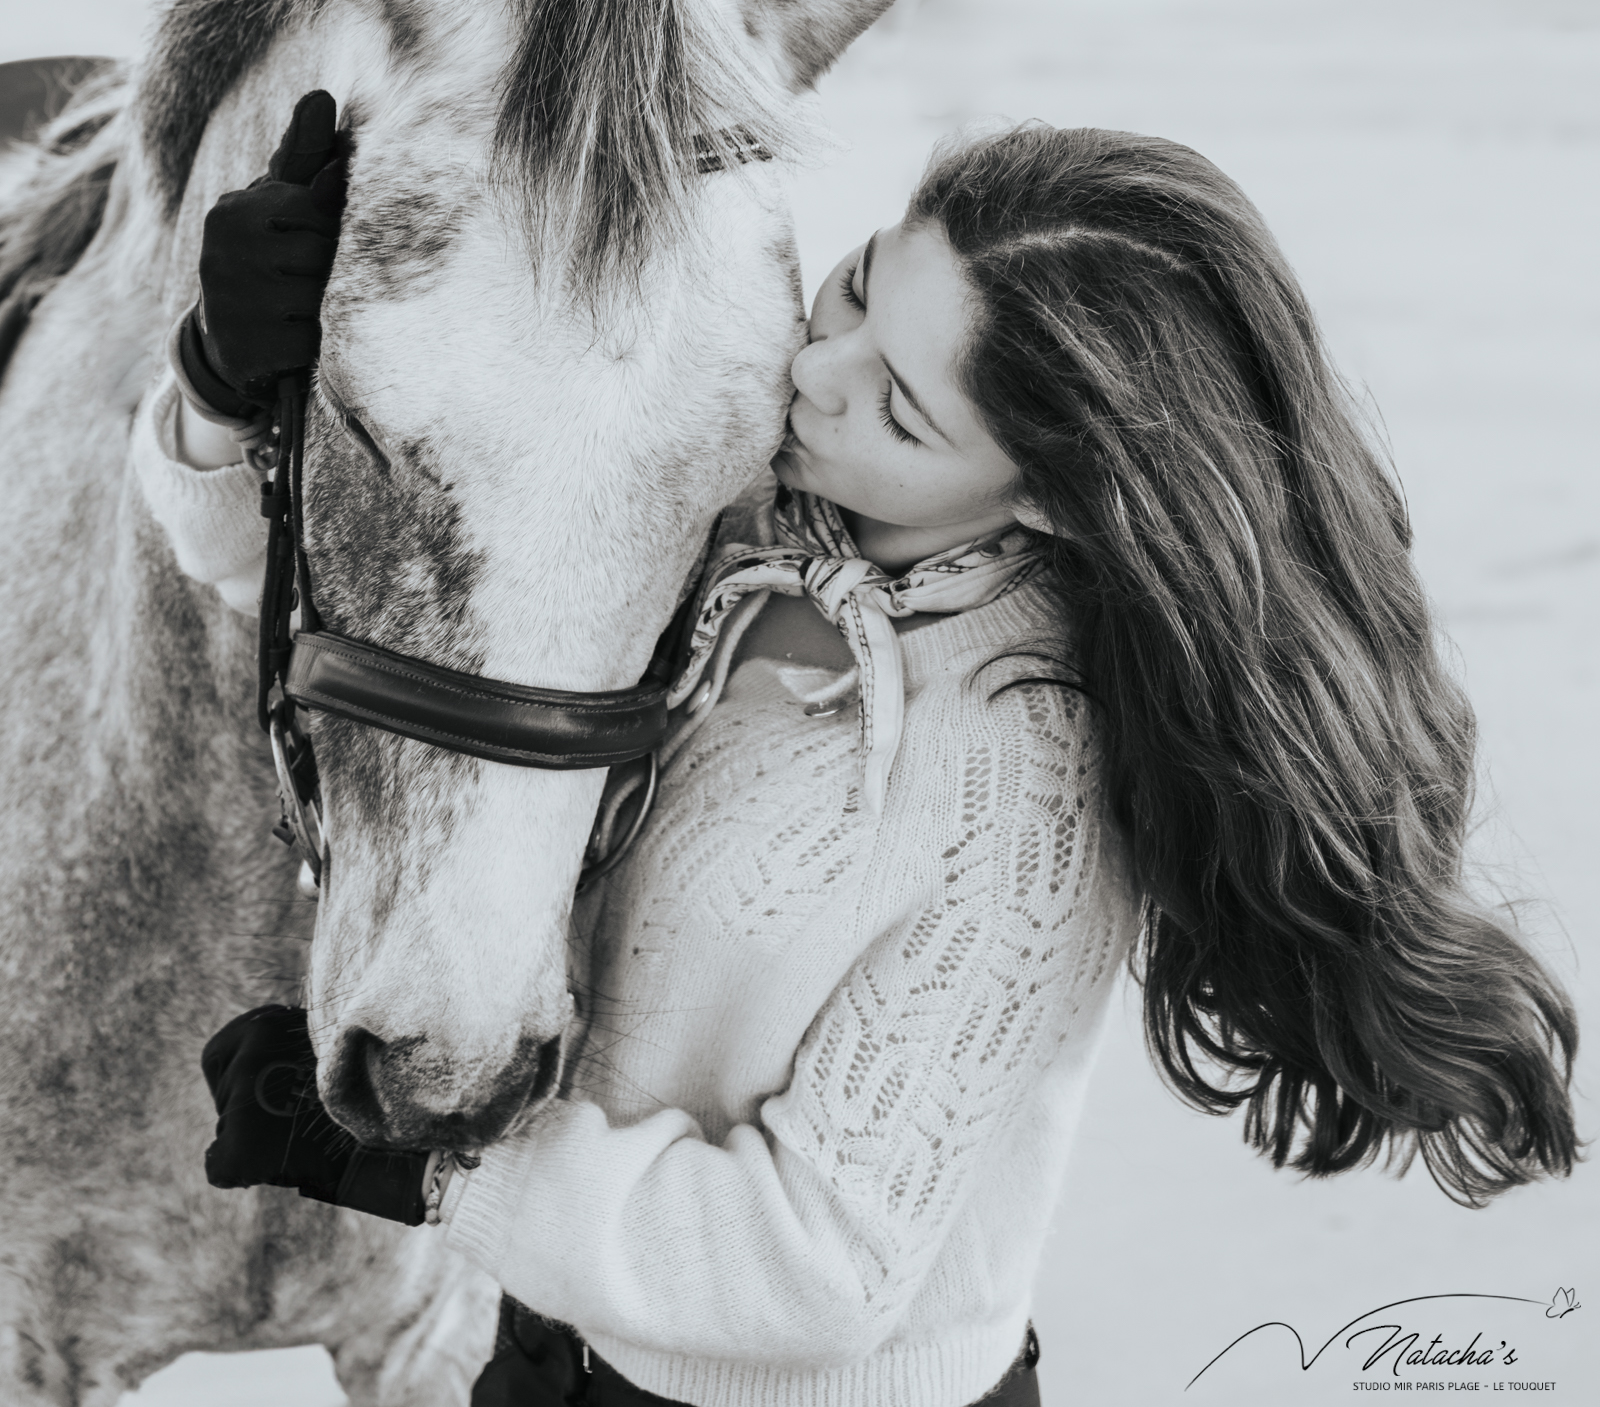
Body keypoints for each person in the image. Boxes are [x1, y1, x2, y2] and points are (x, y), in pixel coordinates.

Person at [147, 102, 1578, 1407]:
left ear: (1055, 498)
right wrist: (228, 378)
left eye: (899, 405)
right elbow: (327, 621)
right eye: (851, 291)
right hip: (542, 1360)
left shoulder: (1019, 783)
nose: (813, 372)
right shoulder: (740, 509)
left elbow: (813, 1274)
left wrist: (430, 1173)